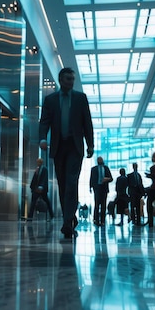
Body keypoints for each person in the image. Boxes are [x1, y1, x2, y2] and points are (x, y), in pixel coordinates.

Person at [39, 67, 94, 239]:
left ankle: (66, 222)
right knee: (62, 184)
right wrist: (42, 138)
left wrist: (90, 144)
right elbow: (44, 122)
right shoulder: (51, 100)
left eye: (73, 79)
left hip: (75, 147)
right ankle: (69, 217)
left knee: (71, 182)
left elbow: (87, 123)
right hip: (58, 146)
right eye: (68, 79)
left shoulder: (80, 98)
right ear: (61, 80)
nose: (71, 82)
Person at [90, 156, 113, 226]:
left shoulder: (106, 168)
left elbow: (111, 178)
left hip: (104, 188)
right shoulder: (93, 169)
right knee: (97, 204)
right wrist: (90, 187)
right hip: (97, 188)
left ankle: (102, 220)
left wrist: (107, 179)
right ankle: (96, 220)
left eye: (101, 160)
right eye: (99, 160)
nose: (100, 161)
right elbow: (91, 178)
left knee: (103, 205)